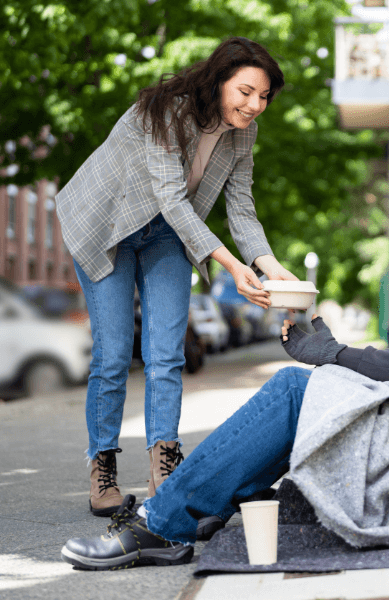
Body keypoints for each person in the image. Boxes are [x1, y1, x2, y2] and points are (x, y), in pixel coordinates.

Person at [60, 156, 389, 570]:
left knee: (297, 393)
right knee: (321, 382)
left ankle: (164, 524)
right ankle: (195, 507)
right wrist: (336, 355)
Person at [56, 37, 298, 518]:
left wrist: (272, 268)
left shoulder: (243, 134)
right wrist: (233, 265)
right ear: (219, 81)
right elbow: (171, 196)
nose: (255, 106)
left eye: (264, 97)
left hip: (168, 232)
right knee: (113, 353)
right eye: (246, 91)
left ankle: (163, 467)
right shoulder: (166, 112)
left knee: (167, 353)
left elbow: (241, 208)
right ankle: (102, 463)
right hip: (108, 224)